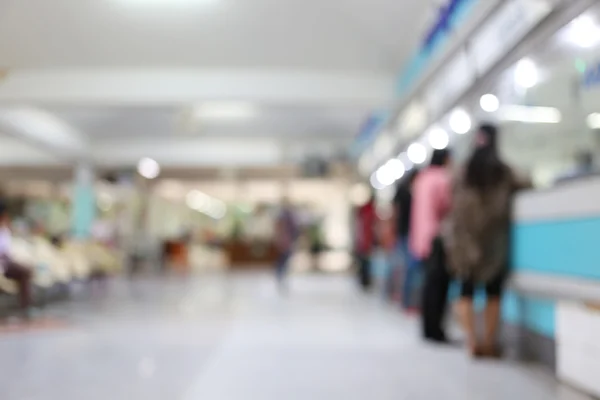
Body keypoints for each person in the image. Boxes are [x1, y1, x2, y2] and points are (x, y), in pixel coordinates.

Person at [444, 124, 529, 357]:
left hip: (467, 240)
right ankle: (489, 342)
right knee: (493, 291)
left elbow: (452, 200)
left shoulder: (463, 171)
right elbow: (526, 184)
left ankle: (472, 341)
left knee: (466, 289)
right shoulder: (504, 171)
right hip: (494, 241)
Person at [410, 149, 452, 342]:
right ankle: (436, 330)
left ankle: (427, 327)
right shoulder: (442, 179)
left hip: (420, 238)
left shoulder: (421, 179)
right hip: (437, 237)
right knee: (439, 286)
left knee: (428, 286)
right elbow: (446, 205)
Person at [391, 169, 420, 309]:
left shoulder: (405, 192)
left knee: (403, 267)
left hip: (406, 233)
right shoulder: (405, 193)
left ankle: (404, 298)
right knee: (407, 268)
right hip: (406, 233)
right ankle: (406, 300)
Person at [0, 204, 33, 316]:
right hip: (3, 264)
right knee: (25, 272)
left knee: (27, 271)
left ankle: (25, 306)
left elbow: (7, 251)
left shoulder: (5, 230)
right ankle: (25, 307)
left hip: (5, 264)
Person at [274, 198, 298, 292]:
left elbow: (294, 231)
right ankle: (280, 277)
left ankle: (281, 277)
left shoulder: (288, 217)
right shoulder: (284, 217)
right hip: (284, 243)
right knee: (282, 261)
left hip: (287, 243)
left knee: (284, 261)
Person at [355, 193, 377, 291]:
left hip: (363, 240)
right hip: (366, 240)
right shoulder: (369, 211)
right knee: (365, 262)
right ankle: (365, 281)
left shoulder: (364, 211)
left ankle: (365, 281)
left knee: (364, 262)